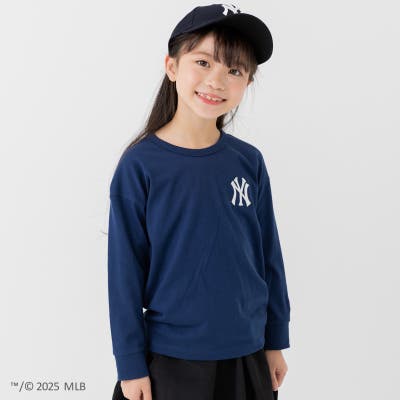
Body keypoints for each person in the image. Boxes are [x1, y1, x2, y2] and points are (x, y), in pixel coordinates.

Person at [107, 3, 291, 400]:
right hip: (172, 362)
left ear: (248, 82)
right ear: (172, 67)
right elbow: (124, 274)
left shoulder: (248, 161)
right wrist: (130, 364)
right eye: (203, 62)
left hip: (248, 355)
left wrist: (275, 339)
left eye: (235, 70)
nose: (217, 80)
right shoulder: (141, 165)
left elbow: (268, 256)